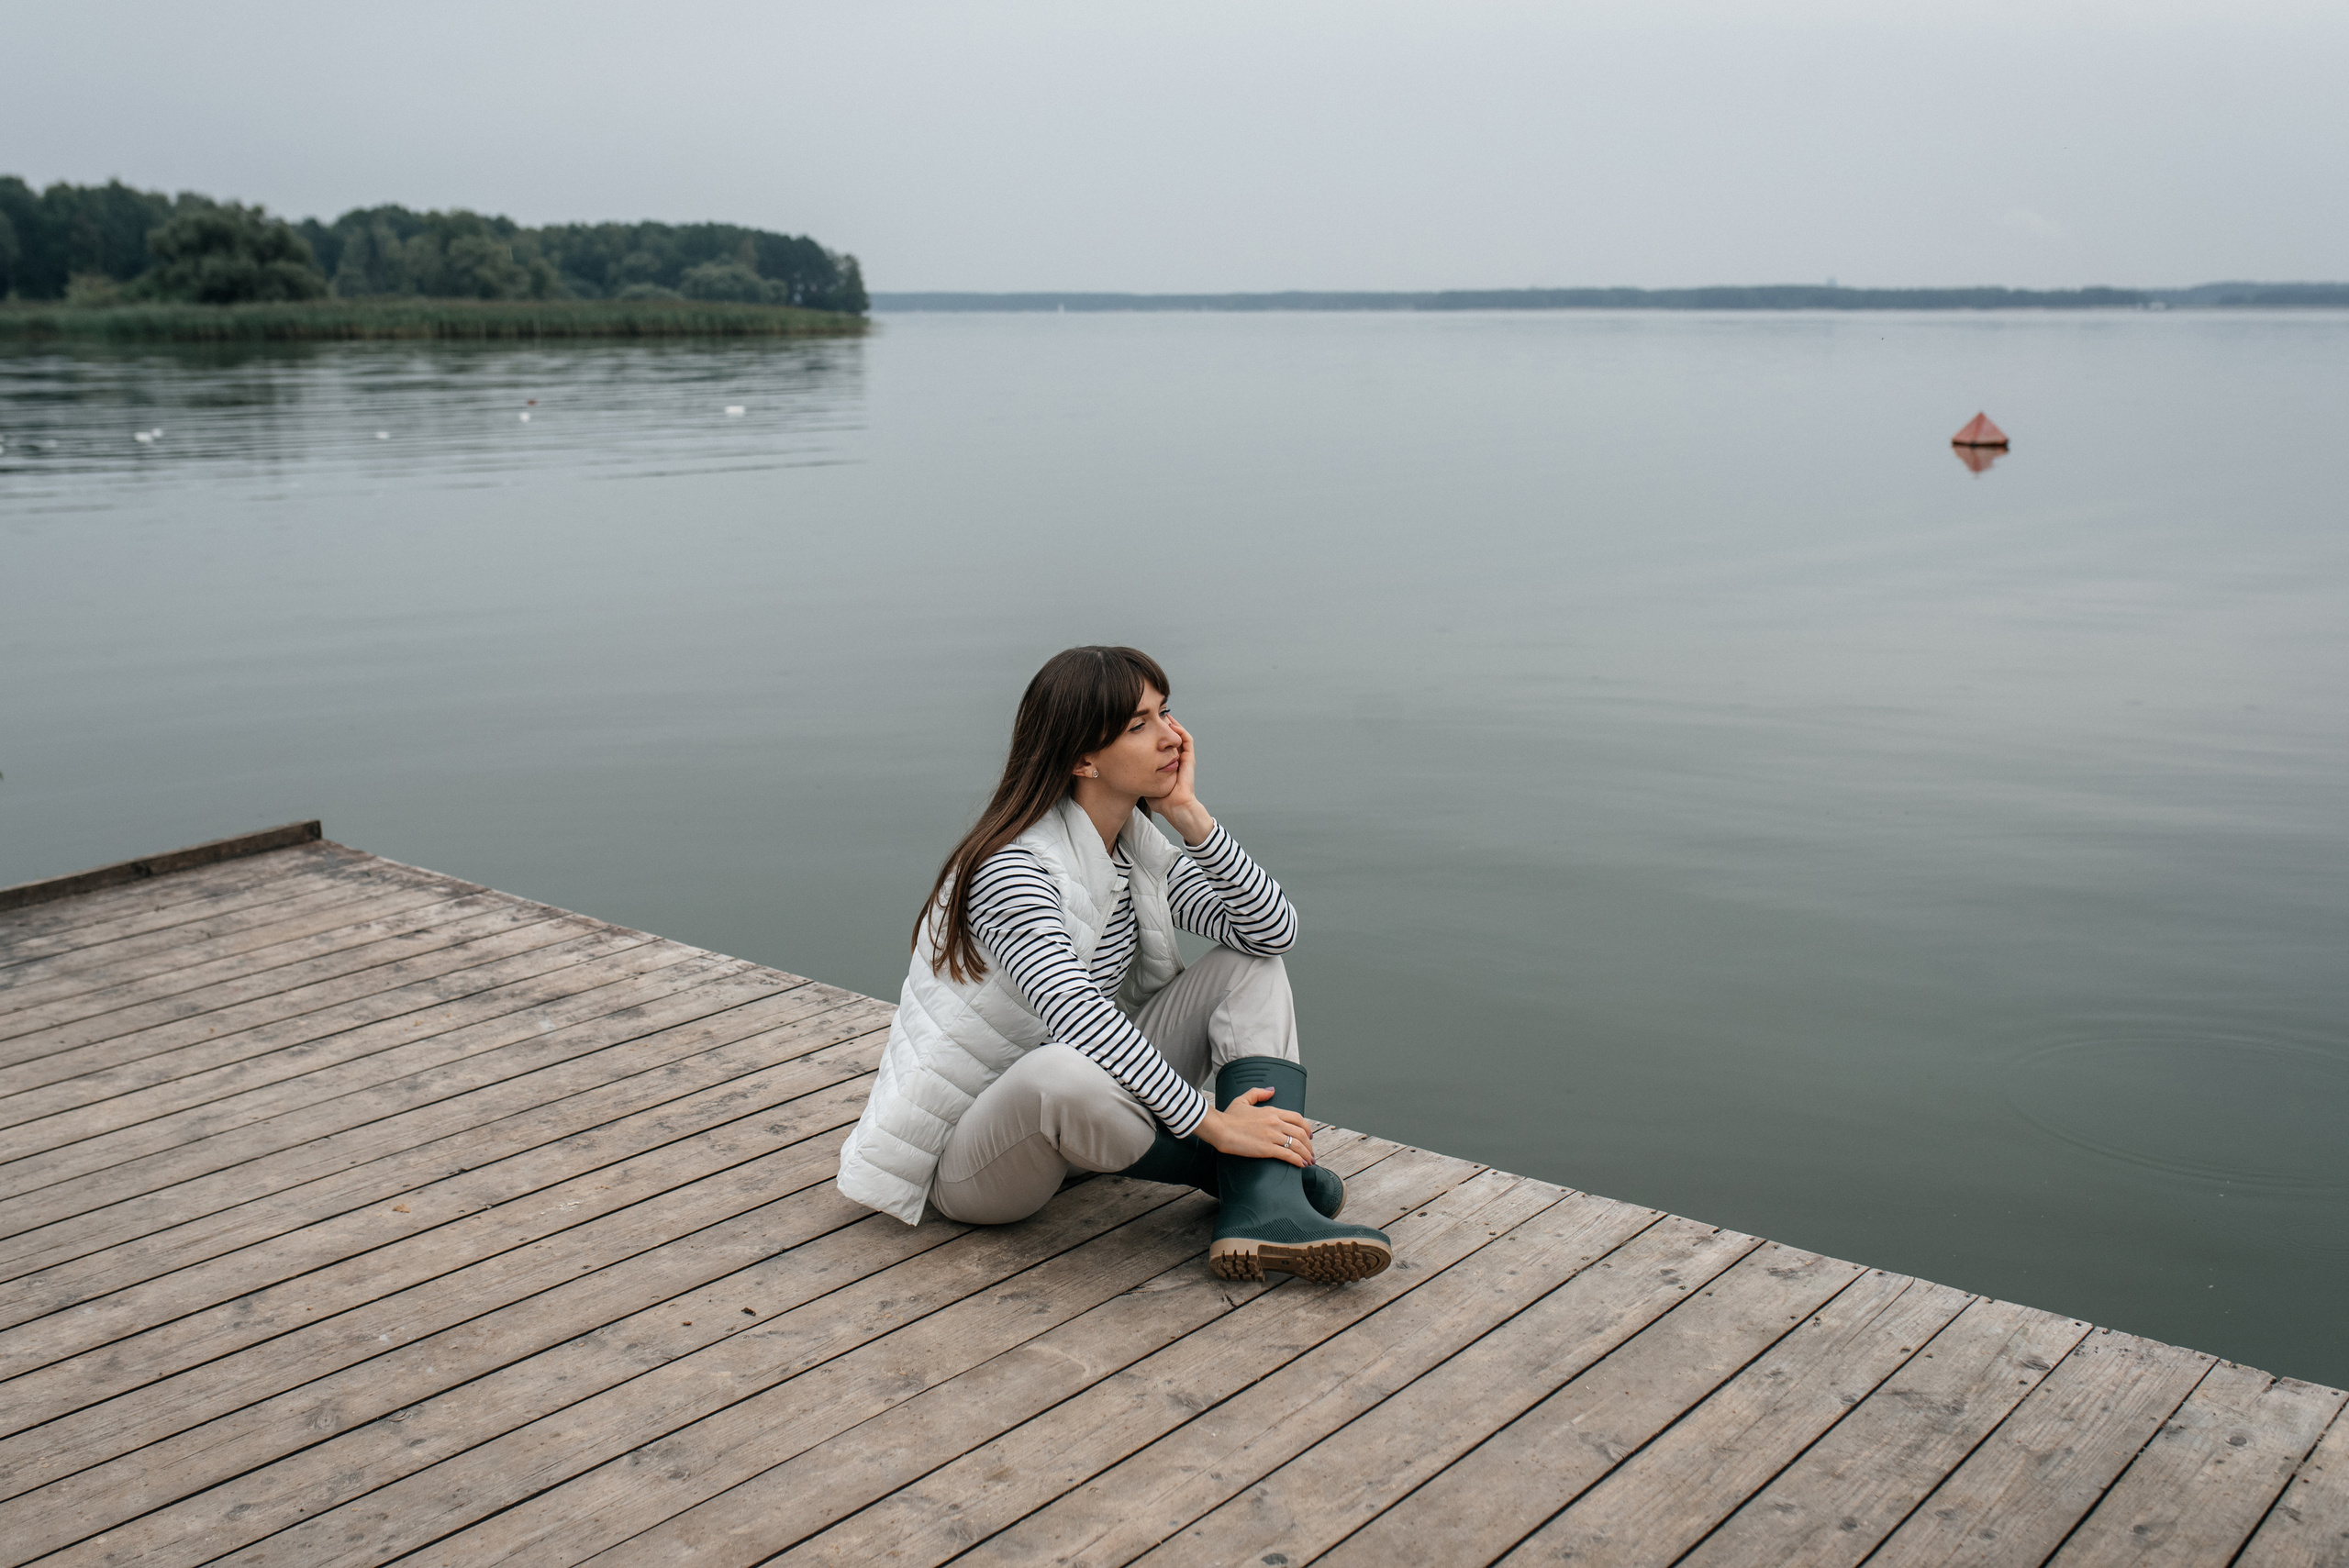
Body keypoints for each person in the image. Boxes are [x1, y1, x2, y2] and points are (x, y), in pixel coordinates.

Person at [835, 645, 1394, 1283]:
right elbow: (1074, 1012)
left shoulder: (1136, 849)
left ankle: (1262, 1207)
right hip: (978, 1159)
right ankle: (1253, 1177)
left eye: (1166, 713)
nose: (1170, 738)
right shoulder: (1012, 869)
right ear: (1082, 758)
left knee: (1250, 968)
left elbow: (1270, 933)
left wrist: (1192, 817)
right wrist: (1212, 1123)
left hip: (1095, 1114)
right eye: (1139, 725)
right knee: (1058, 1071)